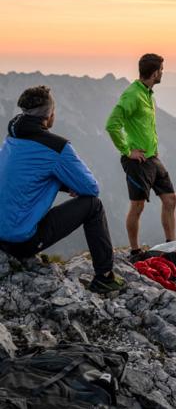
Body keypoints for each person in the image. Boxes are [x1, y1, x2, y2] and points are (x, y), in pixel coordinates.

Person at [0, 86, 126, 293]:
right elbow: (91, 188)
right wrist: (66, 183)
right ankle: (104, 277)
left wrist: (60, 182)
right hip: (20, 242)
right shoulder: (56, 147)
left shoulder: (12, 139)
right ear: (50, 115)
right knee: (93, 206)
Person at [105, 53, 176, 262]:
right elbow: (112, 125)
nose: (163, 73)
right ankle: (136, 251)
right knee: (137, 206)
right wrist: (128, 150)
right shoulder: (132, 95)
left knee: (171, 199)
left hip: (152, 157)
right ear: (155, 72)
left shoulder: (147, 93)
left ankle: (170, 245)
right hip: (136, 160)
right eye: (162, 70)